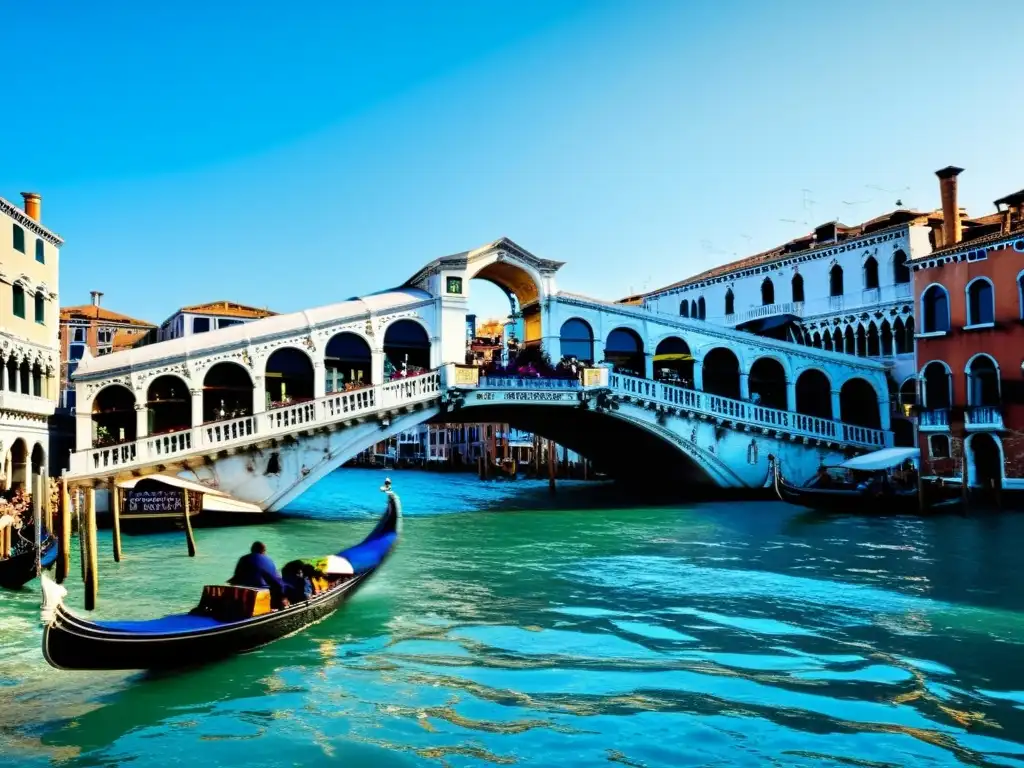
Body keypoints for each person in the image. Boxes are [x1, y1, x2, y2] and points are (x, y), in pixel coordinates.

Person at [230, 541, 289, 608]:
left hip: (241, 590)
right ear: (264, 551)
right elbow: (276, 581)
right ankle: (279, 606)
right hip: (260, 591)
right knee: (280, 586)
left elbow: (236, 578)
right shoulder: (268, 560)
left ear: (252, 550)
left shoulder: (243, 559)